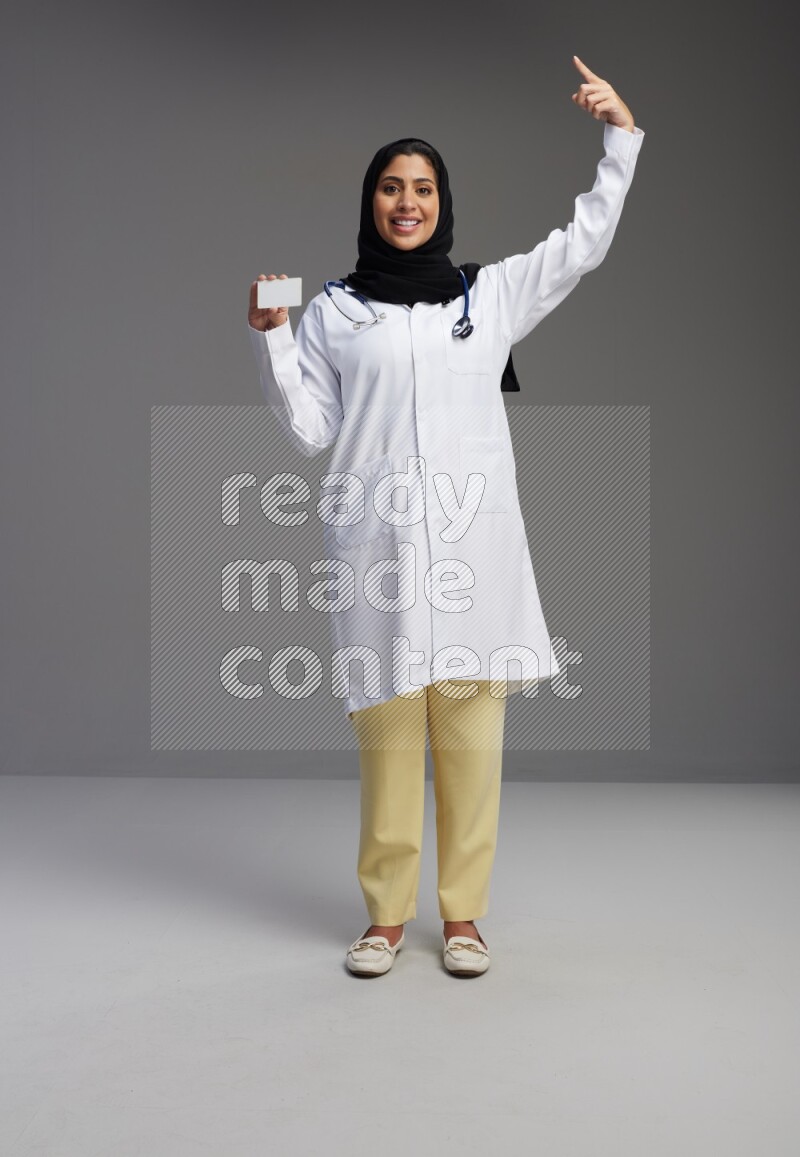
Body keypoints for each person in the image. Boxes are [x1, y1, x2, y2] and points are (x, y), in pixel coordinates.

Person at [247, 56, 645, 977]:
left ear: (442, 201)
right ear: (371, 201)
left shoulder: (488, 295)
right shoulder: (336, 312)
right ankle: (385, 920)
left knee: (471, 744)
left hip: (473, 556)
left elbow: (584, 242)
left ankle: (462, 918)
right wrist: (273, 341)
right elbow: (310, 430)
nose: (407, 202)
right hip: (377, 553)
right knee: (389, 746)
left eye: (422, 188)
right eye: (392, 187)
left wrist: (620, 138)